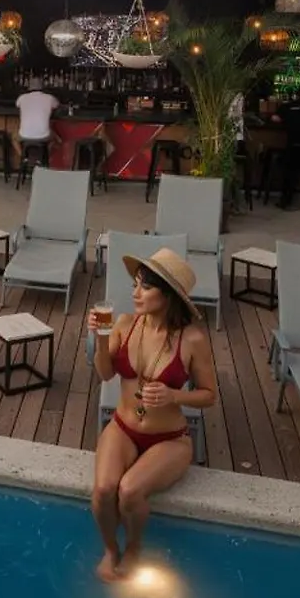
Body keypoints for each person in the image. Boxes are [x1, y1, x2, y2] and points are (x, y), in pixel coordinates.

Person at [87, 247, 218, 580]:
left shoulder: (192, 339)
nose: (135, 293)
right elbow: (105, 374)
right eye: (135, 284)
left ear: (168, 294)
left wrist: (174, 395)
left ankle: (133, 547)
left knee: (130, 490)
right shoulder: (125, 324)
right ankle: (110, 550)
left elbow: (209, 395)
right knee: (103, 491)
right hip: (123, 428)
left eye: (145, 286)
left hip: (169, 439)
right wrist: (100, 339)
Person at [15, 79, 61, 167]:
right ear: (42, 88)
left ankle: (24, 157)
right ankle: (44, 158)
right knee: (56, 139)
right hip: (44, 136)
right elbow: (57, 105)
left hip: (24, 135)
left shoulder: (22, 97)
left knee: (14, 138)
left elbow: (17, 104)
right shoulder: (49, 98)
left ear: (29, 88)